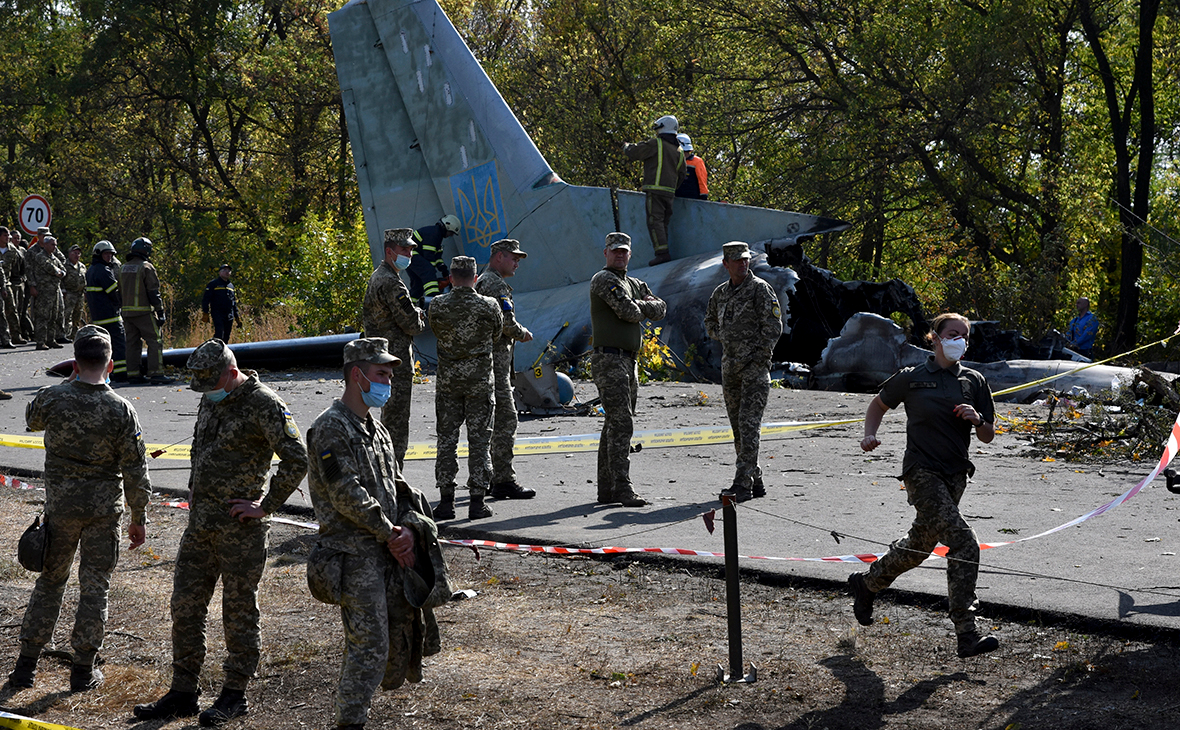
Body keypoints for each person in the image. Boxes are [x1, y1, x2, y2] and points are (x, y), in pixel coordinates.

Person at [133, 339, 309, 725]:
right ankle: (183, 691)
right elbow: (200, 445)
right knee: (185, 605)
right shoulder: (210, 395)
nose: (204, 391)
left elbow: (298, 458)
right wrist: (195, 485)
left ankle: (234, 694)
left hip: (240, 528)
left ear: (231, 373)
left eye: (210, 383)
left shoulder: (264, 403)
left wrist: (265, 505)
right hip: (200, 525)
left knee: (238, 610)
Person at [306, 337, 447, 730]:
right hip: (354, 557)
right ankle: (350, 723)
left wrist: (408, 528)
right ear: (357, 375)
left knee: (393, 642)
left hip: (385, 552)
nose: (389, 382)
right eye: (381, 374)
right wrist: (390, 534)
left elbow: (394, 485)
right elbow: (346, 492)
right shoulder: (330, 428)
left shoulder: (376, 430)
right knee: (367, 647)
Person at [6, 325, 151, 692]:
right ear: (110, 365)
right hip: (104, 512)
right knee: (95, 587)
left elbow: (30, 419)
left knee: (50, 582)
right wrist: (139, 517)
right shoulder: (121, 409)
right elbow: (136, 468)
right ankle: (83, 669)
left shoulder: (52, 398)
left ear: (75, 362)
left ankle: (25, 667)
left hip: (62, 508)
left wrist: (67, 383)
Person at [848, 312, 999, 659]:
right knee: (964, 543)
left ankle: (867, 584)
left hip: (955, 475)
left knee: (920, 545)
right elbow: (878, 404)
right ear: (934, 338)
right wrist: (870, 434)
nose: (958, 340)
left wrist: (978, 420)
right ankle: (966, 632)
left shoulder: (974, 380)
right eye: (951, 334)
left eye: (963, 335)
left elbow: (988, 435)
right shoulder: (912, 377)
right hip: (921, 472)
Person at [589, 233, 667, 506]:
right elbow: (628, 312)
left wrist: (641, 304)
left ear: (630, 254)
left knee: (614, 422)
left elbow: (661, 308)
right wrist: (642, 305)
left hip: (628, 360)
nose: (620, 255)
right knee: (622, 423)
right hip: (609, 360)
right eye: (615, 251)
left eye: (624, 251)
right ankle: (622, 487)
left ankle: (607, 487)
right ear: (606, 253)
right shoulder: (604, 279)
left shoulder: (632, 282)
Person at [704, 242, 782, 501]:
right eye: (737, 260)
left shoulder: (760, 289)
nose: (742, 264)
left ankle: (742, 485)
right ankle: (755, 478)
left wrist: (759, 358)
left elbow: (773, 327)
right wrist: (724, 335)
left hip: (754, 370)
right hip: (731, 369)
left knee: (749, 427)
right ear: (726, 264)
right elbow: (710, 322)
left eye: (745, 259)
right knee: (738, 429)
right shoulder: (720, 293)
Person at [428, 255, 502, 520]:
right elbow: (496, 334)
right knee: (479, 441)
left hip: (448, 383)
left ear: (450, 278)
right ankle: (477, 502)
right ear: (475, 278)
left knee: (446, 440)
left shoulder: (437, 305)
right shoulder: (489, 305)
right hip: (479, 383)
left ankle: (446, 501)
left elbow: (435, 330)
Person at [475, 239, 536, 501]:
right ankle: (503, 480)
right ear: (498, 257)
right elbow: (506, 323)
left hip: (491, 363)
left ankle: (488, 477)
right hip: (495, 366)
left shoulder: (484, 281)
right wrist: (523, 333)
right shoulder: (495, 284)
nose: (517, 263)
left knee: (491, 421)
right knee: (506, 420)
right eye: (513, 258)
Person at [362, 228, 425, 468]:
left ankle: (385, 471)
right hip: (394, 362)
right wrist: (420, 315)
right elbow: (412, 324)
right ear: (390, 251)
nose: (408, 254)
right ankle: (392, 475)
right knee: (396, 424)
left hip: (379, 359)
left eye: (410, 249)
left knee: (388, 418)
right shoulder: (392, 283)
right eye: (404, 249)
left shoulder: (379, 275)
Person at [624, 115, 686, 266]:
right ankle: (663, 251)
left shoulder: (656, 144)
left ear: (662, 128)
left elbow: (635, 152)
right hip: (670, 193)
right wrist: (673, 189)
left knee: (654, 221)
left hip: (655, 190)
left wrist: (626, 147)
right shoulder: (679, 150)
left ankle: (662, 254)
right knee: (663, 223)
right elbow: (682, 173)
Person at [120, 236, 172, 384]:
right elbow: (153, 292)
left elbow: (119, 293)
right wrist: (160, 311)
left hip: (127, 314)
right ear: (146, 250)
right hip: (143, 312)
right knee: (155, 340)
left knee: (132, 343)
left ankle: (133, 374)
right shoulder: (146, 267)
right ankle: (156, 373)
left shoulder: (123, 268)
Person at [86, 240, 128, 382]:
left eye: (111, 254)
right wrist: (122, 305)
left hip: (98, 317)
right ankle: (121, 373)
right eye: (106, 254)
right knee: (118, 345)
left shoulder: (90, 270)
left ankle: (106, 373)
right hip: (111, 316)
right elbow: (114, 292)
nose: (109, 257)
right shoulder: (103, 271)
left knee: (103, 347)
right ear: (99, 254)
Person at [406, 214, 461, 308]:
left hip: (410, 258)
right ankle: (434, 302)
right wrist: (433, 278)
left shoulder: (437, 237)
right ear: (447, 227)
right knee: (428, 271)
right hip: (412, 254)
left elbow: (437, 257)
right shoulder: (434, 234)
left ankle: (410, 307)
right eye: (451, 233)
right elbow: (429, 256)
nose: (450, 236)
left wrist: (443, 270)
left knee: (418, 285)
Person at [29, 234, 65, 350]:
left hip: (54, 291)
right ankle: (40, 341)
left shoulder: (54, 257)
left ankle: (51, 340)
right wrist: (57, 272)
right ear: (45, 245)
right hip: (44, 291)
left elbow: (63, 270)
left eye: (55, 245)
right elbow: (49, 267)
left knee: (53, 316)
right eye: (52, 244)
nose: (54, 247)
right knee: (43, 316)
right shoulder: (40, 256)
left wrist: (60, 272)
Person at [201, 263, 241, 343]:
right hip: (217, 313)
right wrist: (205, 312)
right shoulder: (213, 284)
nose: (227, 272)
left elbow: (234, 303)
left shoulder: (231, 286)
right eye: (224, 270)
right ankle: (214, 350)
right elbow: (206, 299)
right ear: (220, 272)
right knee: (219, 334)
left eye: (229, 271)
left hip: (229, 314)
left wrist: (237, 317)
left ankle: (223, 353)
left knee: (226, 336)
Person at [0, 225, 23, 345]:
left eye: (8, 235)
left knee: (12, 310)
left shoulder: (13, 250)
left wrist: (16, 283)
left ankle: (15, 336)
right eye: (5, 235)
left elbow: (18, 268)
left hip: (7, 283)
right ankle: (3, 338)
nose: (7, 237)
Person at [62, 244, 87, 338]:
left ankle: (74, 335)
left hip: (79, 295)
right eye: (75, 253)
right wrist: (63, 291)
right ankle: (65, 334)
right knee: (67, 315)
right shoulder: (65, 265)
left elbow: (85, 280)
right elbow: (61, 280)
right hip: (69, 294)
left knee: (77, 315)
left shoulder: (82, 266)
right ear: (69, 254)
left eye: (78, 253)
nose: (77, 255)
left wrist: (85, 291)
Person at [675, 133, 709, 200]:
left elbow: (702, 180)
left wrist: (703, 196)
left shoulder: (697, 162)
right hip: (676, 197)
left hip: (692, 199)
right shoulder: (674, 161)